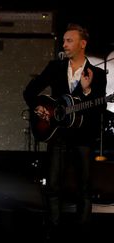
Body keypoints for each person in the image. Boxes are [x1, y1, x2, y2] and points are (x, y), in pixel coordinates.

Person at [23, 23, 107, 239]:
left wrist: (87, 91)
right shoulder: (55, 67)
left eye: (69, 40)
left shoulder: (96, 73)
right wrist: (38, 107)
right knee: (52, 185)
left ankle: (83, 231)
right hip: (57, 134)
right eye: (64, 41)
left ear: (82, 44)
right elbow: (30, 90)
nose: (64, 44)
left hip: (83, 137)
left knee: (84, 187)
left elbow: (99, 108)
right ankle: (52, 229)